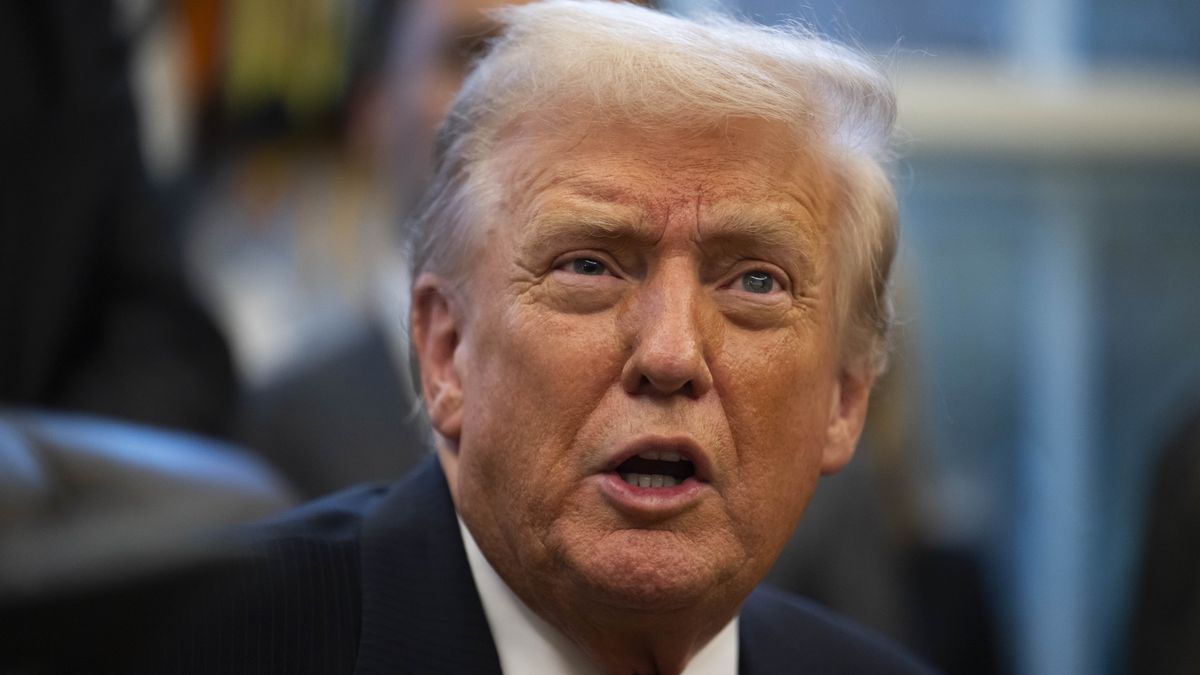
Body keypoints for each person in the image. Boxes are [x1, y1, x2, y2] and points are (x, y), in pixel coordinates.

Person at [94, 2, 936, 673]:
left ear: (846, 395)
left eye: (755, 281)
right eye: (590, 266)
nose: (672, 354)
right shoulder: (195, 645)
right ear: (444, 352)